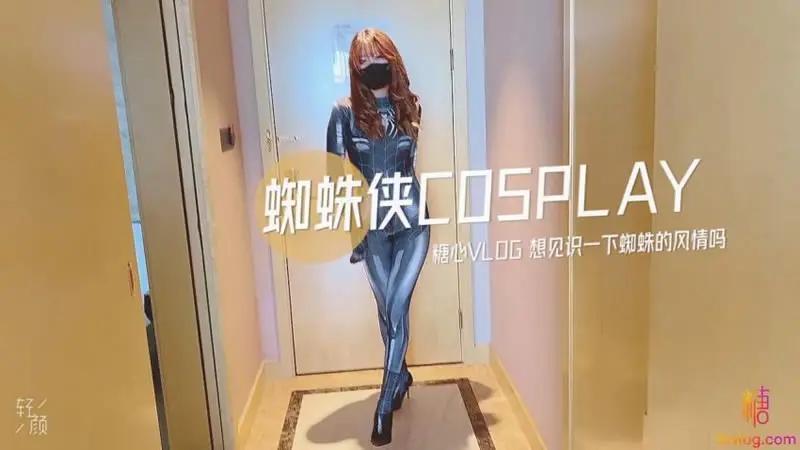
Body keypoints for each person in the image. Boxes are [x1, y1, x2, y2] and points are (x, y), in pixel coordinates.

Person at [326, 28, 431, 447]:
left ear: (392, 58)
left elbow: (410, 164)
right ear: (355, 68)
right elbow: (337, 178)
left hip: (412, 221)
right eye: (364, 61)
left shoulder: (411, 106)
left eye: (378, 57)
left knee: (397, 307)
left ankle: (383, 407)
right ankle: (400, 376)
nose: (373, 66)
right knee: (387, 314)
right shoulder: (343, 112)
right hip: (371, 226)